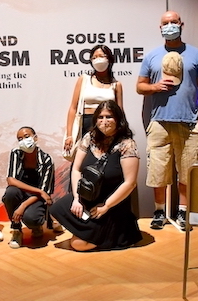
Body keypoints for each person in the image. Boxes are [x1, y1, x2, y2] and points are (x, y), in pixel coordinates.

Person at [136, 10, 198, 231]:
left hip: (189, 123)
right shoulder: (152, 56)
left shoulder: (197, 55)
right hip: (159, 122)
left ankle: (183, 212)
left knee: (187, 170)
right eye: (165, 23)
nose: (169, 26)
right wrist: (155, 87)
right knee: (158, 170)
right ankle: (159, 211)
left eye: (173, 22)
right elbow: (140, 86)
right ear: (160, 28)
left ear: (181, 24)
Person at [50, 100, 142, 251]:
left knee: (77, 245)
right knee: (56, 209)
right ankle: (88, 230)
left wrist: (105, 206)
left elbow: (130, 183)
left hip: (112, 206)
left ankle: (112, 234)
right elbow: (76, 170)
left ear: (118, 120)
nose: (104, 122)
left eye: (109, 117)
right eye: (100, 117)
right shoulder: (89, 138)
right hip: (88, 199)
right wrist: (77, 199)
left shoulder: (127, 145)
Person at [2, 126, 59, 249]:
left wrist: (23, 206)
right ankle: (16, 231)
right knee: (10, 193)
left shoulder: (47, 160)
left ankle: (37, 226)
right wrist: (38, 190)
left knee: (31, 219)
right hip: (23, 193)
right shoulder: (16, 153)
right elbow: (11, 180)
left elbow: (45, 192)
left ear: (35, 138)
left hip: (36, 198)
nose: (24, 140)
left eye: (27, 136)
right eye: (20, 139)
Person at [63, 44, 123, 159]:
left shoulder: (116, 85)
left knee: (105, 158)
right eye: (94, 57)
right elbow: (73, 108)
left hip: (108, 125)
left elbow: (120, 112)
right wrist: (69, 135)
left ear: (109, 59)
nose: (98, 59)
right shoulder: (84, 79)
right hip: (87, 123)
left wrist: (122, 133)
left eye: (101, 56)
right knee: (83, 159)